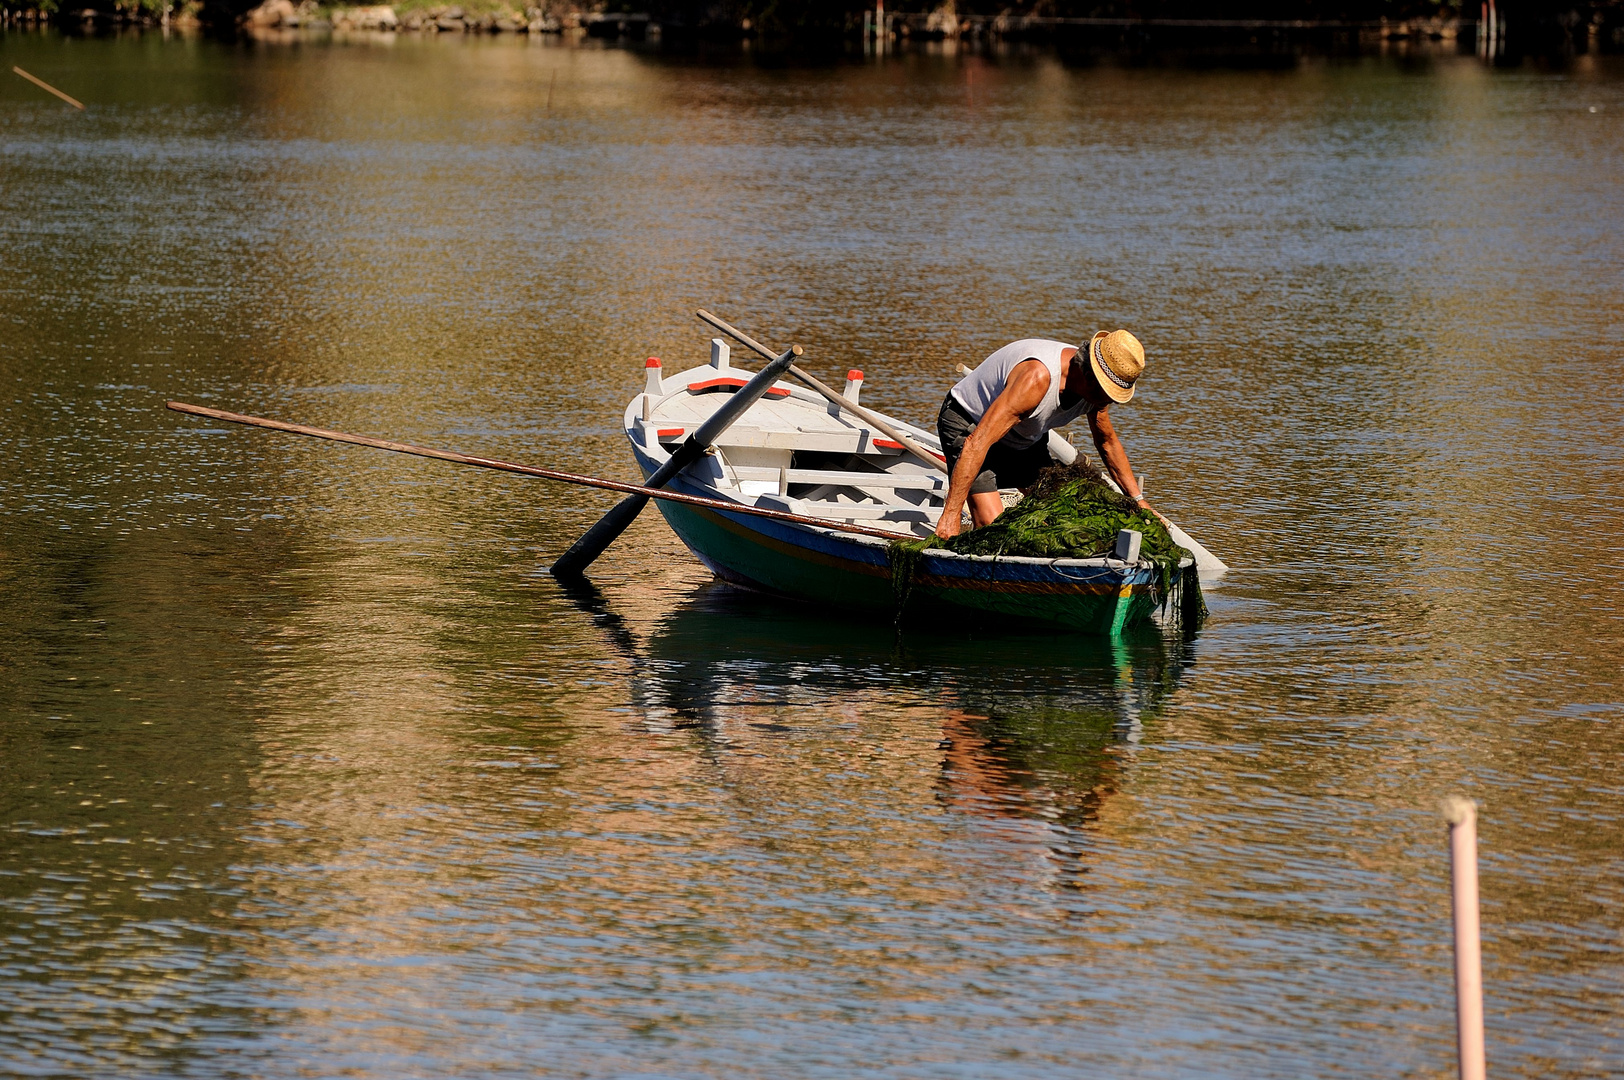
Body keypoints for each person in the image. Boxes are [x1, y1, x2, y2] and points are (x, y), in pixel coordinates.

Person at [935, 330, 1150, 540]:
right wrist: (951, 515)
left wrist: (1138, 500)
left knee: (1061, 514)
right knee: (992, 529)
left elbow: (1107, 442)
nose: (1108, 402)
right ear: (1089, 377)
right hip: (971, 425)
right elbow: (977, 443)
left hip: (1024, 437)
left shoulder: (1096, 395)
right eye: (1107, 394)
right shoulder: (1037, 379)